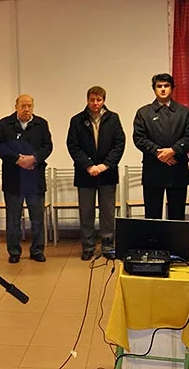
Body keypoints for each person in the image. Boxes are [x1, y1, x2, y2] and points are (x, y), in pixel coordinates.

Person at [66, 86, 125, 261]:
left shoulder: (113, 119)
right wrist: (89, 165)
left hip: (107, 173)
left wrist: (105, 165)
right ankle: (88, 246)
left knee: (108, 212)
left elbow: (119, 144)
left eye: (99, 100)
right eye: (92, 100)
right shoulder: (77, 120)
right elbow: (73, 146)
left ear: (104, 100)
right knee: (87, 212)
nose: (95, 103)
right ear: (87, 100)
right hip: (86, 174)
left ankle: (108, 246)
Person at [0, 94, 53, 263]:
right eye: (23, 106)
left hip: (35, 178)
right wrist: (18, 160)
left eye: (29, 106)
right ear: (16, 107)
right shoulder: (5, 124)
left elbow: (48, 146)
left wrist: (33, 158)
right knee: (13, 218)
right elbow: (0, 147)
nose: (26, 109)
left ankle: (37, 250)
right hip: (13, 179)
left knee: (37, 217)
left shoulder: (41, 124)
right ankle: (14, 251)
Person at [133, 73, 189, 220]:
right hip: (153, 167)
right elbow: (139, 138)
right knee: (152, 213)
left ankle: (175, 243)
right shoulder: (144, 112)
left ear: (172, 88)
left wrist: (173, 150)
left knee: (177, 212)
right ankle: (153, 243)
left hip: (177, 167)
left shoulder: (184, 112)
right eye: (159, 86)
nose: (163, 89)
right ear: (154, 89)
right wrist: (158, 153)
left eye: (166, 86)